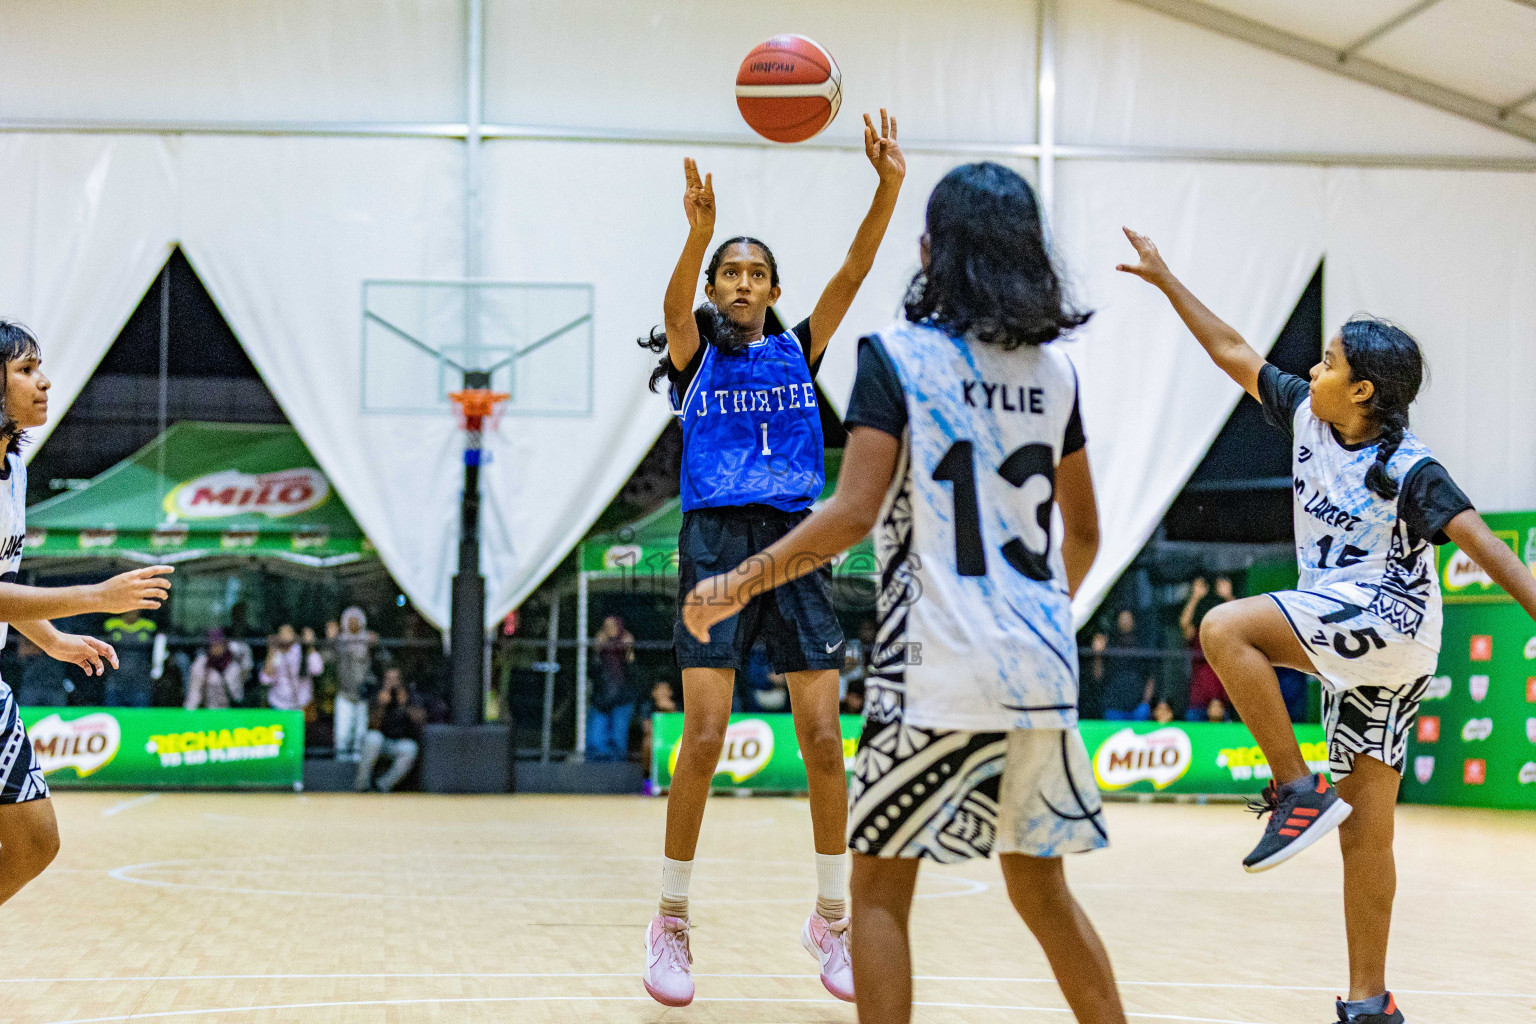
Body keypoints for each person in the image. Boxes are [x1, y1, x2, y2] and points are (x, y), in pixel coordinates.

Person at [683, 163, 1126, 1024]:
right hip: (1042, 663)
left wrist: (738, 583)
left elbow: (850, 515)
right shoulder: (1057, 374)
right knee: (1044, 892)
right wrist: (1033, 619)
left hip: (934, 665)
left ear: (932, 252)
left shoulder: (896, 359)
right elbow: (1086, 535)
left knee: (880, 892)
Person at [1119, 228, 1536, 1024]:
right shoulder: (1309, 418)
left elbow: (1484, 545)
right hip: (1359, 637)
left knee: (1223, 629)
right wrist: (1169, 279)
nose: (1314, 369)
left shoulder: (1412, 468)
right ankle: (1369, 1003)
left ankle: (1295, 789)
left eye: (1331, 362)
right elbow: (1233, 348)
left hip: (1389, 621)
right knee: (1368, 835)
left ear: (1366, 391)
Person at [637, 111, 906, 1007]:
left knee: (827, 740)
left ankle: (830, 918)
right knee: (705, 739)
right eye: (732, 274)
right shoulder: (694, 355)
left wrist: (888, 187)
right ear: (718, 287)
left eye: (757, 273)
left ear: (773, 289)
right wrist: (696, 235)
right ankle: (671, 918)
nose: (744, 284)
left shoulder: (801, 347)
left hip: (796, 546)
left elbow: (856, 270)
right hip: (714, 543)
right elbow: (675, 308)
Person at [0, 319, 174, 908]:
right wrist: (97, 596)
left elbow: (4, 585)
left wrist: (51, 640)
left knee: (35, 843)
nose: (44, 382)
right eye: (25, 370)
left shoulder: (15, 470)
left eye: (40, 367)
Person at [355, 666, 425, 792]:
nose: (392, 683)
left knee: (410, 748)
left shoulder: (409, 694)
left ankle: (382, 786)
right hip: (381, 742)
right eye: (389, 679)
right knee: (373, 738)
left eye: (395, 679)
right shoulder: (378, 693)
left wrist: (404, 705)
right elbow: (371, 725)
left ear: (401, 681)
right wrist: (381, 705)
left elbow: (420, 720)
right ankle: (362, 785)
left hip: (400, 741)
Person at [1180, 576, 1233, 721]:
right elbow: (1184, 624)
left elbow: (1239, 623)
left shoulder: (1226, 636)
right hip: (1198, 702)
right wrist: (1195, 597)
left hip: (1223, 703)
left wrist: (1228, 596)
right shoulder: (1197, 635)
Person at [588, 614, 638, 761]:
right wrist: (597, 650)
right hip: (601, 700)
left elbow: (634, 675)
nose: (609, 630)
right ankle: (597, 774)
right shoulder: (601, 651)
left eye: (613, 626)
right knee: (596, 740)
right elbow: (591, 673)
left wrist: (629, 651)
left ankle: (617, 774)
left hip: (622, 700)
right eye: (606, 627)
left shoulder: (625, 649)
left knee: (618, 740)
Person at [329, 607, 376, 760]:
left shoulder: (368, 641)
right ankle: (341, 766)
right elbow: (325, 660)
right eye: (350, 621)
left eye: (357, 620)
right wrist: (331, 640)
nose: (354, 624)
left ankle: (357, 768)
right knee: (342, 735)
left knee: (360, 736)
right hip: (344, 695)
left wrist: (375, 645)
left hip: (363, 696)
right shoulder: (340, 642)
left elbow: (384, 662)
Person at [1101, 609, 1155, 720]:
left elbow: (1150, 677)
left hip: (1137, 708)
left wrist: (1145, 703)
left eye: (1128, 618)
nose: (1125, 621)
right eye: (1122, 618)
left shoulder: (1141, 645)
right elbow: (1099, 675)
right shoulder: (1110, 644)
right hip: (1114, 707)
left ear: (1133, 621)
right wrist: (1098, 655)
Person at [102, 607, 157, 707]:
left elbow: (158, 651)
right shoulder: (110, 625)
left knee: (140, 719)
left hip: (141, 683)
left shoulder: (150, 626)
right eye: (129, 607)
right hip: (115, 682)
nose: (132, 610)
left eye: (135, 607)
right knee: (113, 717)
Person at [259, 624, 317, 712]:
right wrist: (271, 651)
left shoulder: (302, 650)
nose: (285, 635)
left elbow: (317, 669)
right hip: (278, 705)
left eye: (288, 632)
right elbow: (265, 680)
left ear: (295, 635)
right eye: (282, 633)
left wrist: (310, 645)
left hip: (302, 705)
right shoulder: (275, 653)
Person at [184, 628, 244, 710]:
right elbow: (194, 694)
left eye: (219, 643)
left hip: (228, 714)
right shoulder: (201, 664)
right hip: (207, 713)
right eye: (212, 644)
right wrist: (189, 714)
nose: (216, 647)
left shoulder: (233, 666)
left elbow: (238, 697)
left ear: (225, 644)